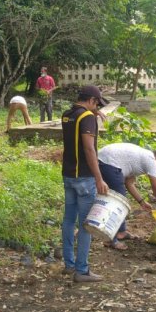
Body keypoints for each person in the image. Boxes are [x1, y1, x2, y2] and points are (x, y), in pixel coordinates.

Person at [61, 85, 109, 282]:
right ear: (92, 100)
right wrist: (99, 178)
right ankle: (82, 270)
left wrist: (95, 113)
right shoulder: (87, 117)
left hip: (68, 174)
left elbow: (76, 133)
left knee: (68, 220)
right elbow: (89, 150)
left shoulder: (67, 114)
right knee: (86, 225)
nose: (96, 108)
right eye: (96, 104)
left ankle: (69, 264)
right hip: (84, 177)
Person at [98, 144, 156, 250]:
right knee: (118, 203)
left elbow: (129, 183)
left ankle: (121, 232)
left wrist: (141, 202)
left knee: (120, 200)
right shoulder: (150, 159)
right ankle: (111, 240)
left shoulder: (140, 159)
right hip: (109, 162)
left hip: (106, 160)